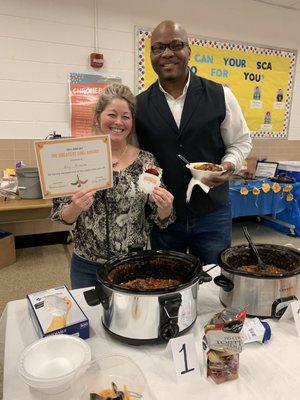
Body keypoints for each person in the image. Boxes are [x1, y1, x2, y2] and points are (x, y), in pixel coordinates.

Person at [135, 20, 252, 264]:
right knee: (167, 283)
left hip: (213, 213)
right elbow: (133, 157)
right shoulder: (139, 106)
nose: (167, 53)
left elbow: (241, 142)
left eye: (176, 45)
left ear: (189, 51)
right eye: (158, 48)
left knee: (214, 279)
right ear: (151, 55)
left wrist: (228, 166)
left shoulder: (221, 95)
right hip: (163, 216)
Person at [52, 83, 174, 289]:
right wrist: (76, 206)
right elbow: (61, 216)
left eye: (125, 116)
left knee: (129, 319)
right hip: (87, 264)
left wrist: (165, 208)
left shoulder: (146, 161)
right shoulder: (78, 157)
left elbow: (161, 219)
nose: (118, 122)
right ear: (98, 117)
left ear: (132, 122)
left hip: (133, 264)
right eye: (112, 115)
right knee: (90, 318)